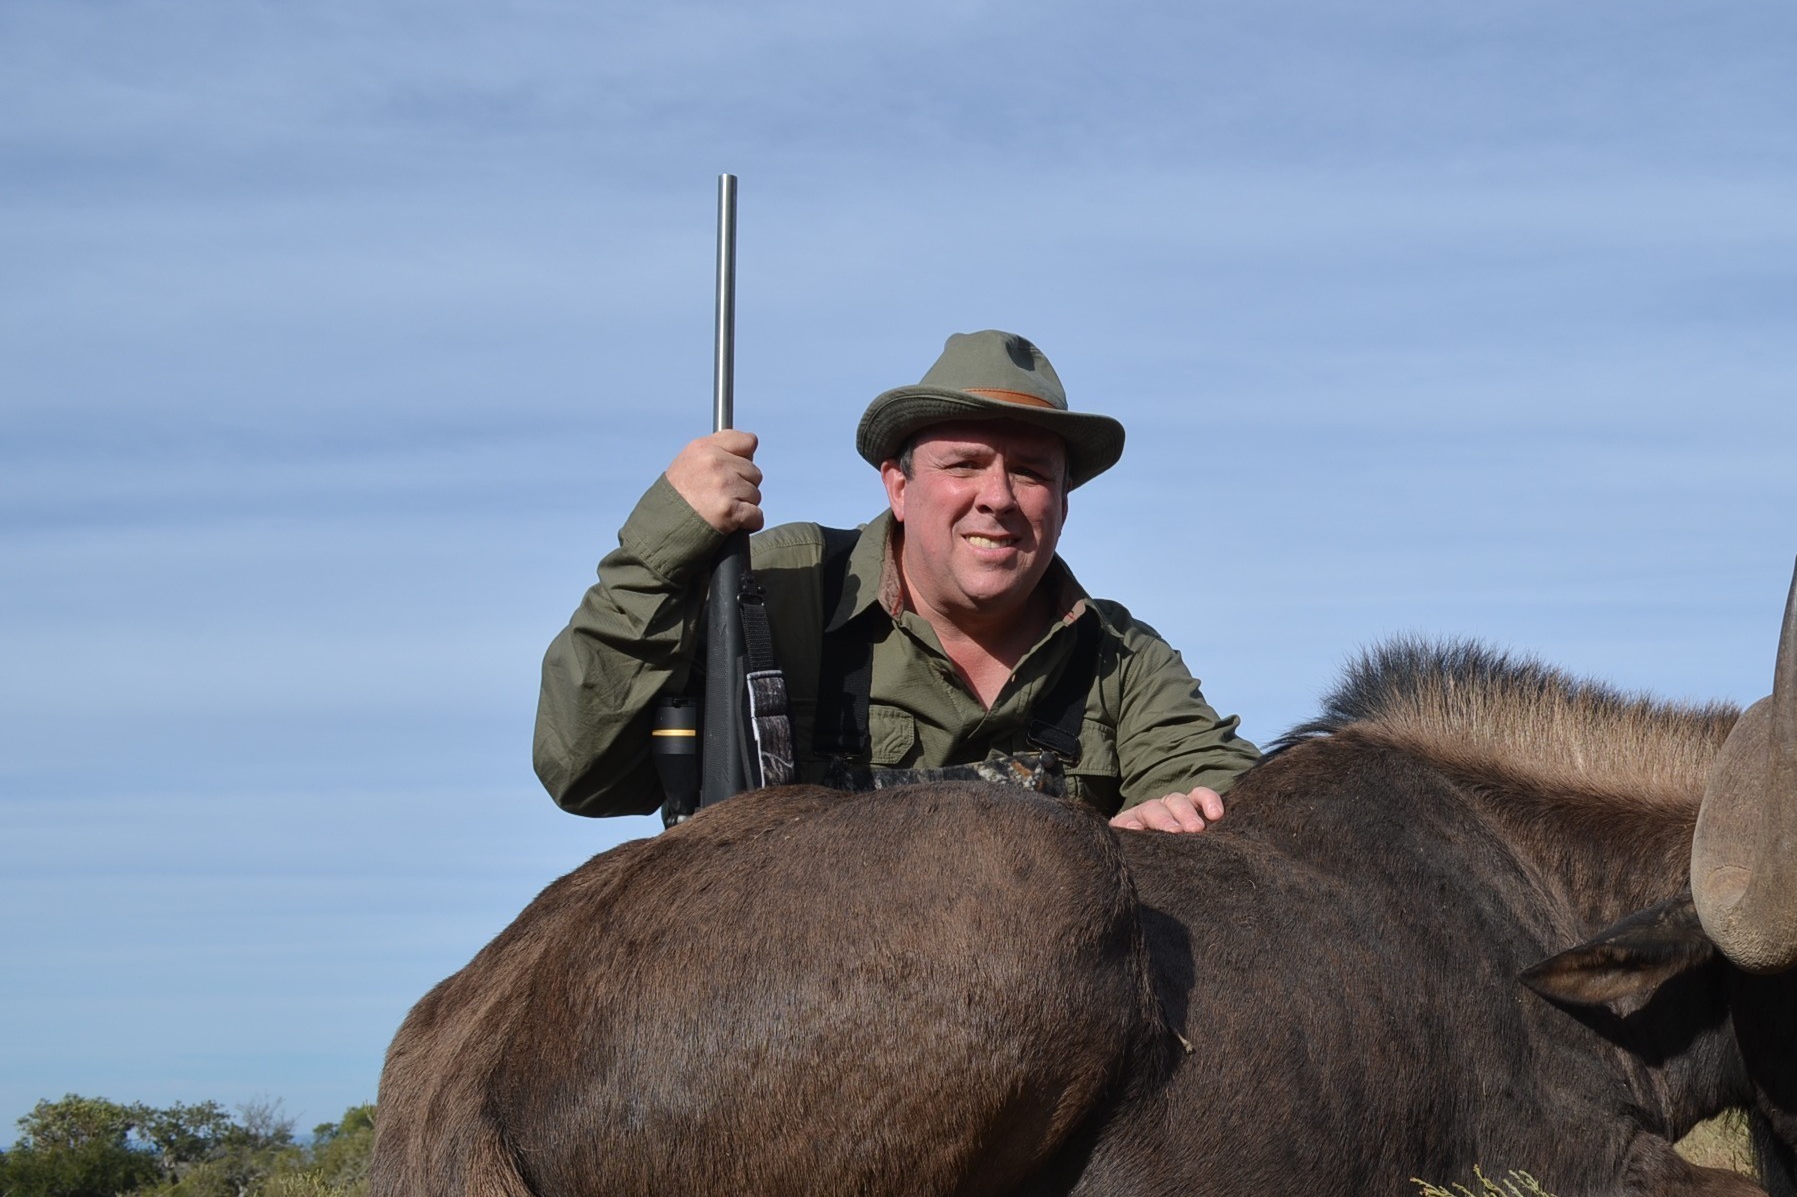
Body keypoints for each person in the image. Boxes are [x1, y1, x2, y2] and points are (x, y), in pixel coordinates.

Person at [534, 330, 1258, 831]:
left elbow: (1233, 801)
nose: (999, 497)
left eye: (1033, 472)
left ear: (1064, 504)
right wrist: (664, 547)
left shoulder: (1121, 660)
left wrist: (1177, 825)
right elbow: (583, 770)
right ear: (898, 487)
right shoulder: (777, 591)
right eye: (964, 464)